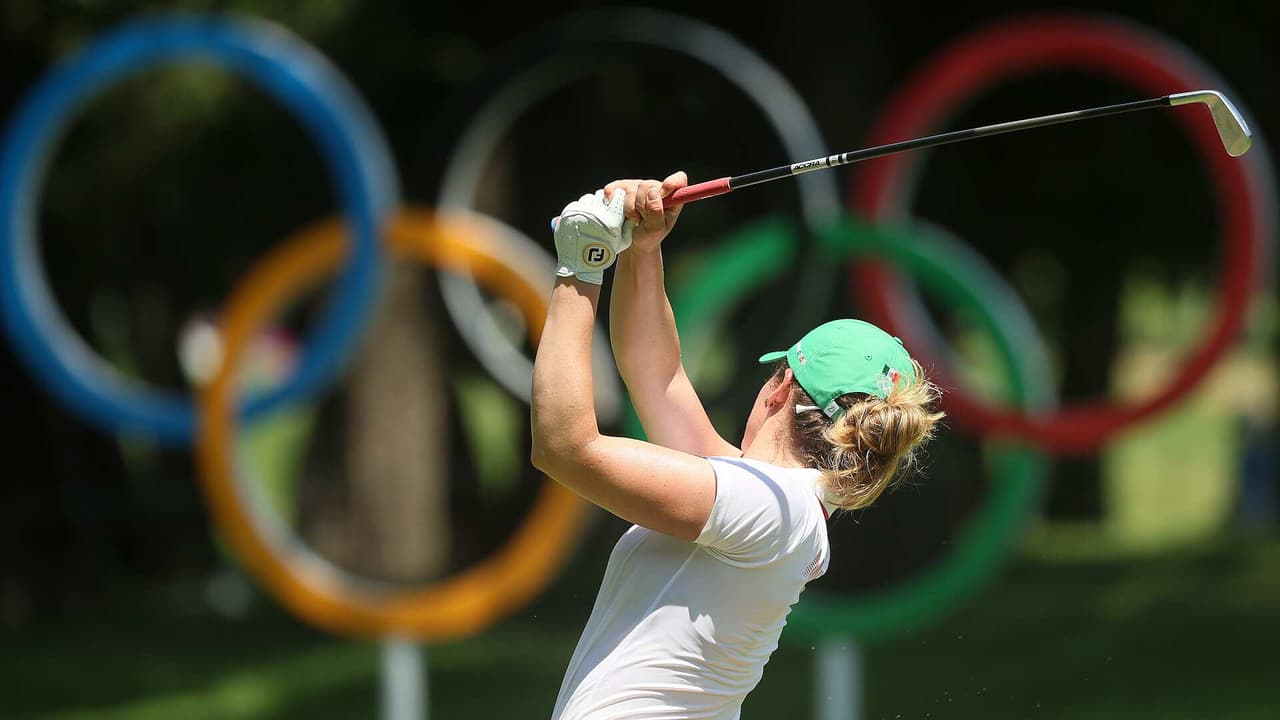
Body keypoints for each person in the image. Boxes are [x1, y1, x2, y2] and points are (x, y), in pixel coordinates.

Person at [532, 171, 945, 720]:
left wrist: (580, 268)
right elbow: (657, 375)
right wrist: (642, 249)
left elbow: (565, 448)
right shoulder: (776, 504)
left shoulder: (769, 508)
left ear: (781, 388)